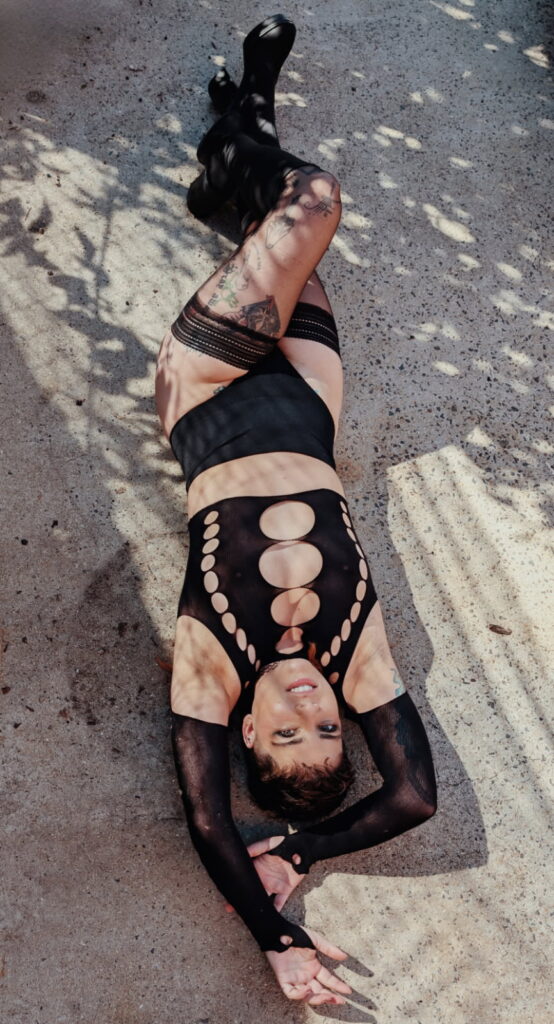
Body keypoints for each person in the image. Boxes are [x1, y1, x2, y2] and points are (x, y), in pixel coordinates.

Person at [155, 15, 437, 1006]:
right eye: (327, 729)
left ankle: (238, 124)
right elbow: (412, 796)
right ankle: (231, 154)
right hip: (310, 397)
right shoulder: (357, 658)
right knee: (278, 239)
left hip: (202, 388)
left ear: (245, 731)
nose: (314, 708)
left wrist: (276, 934)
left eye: (286, 733)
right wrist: (303, 851)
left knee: (308, 203)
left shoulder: (211, 662)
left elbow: (206, 821)